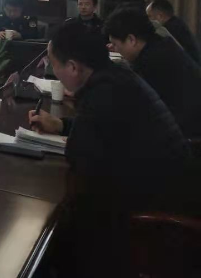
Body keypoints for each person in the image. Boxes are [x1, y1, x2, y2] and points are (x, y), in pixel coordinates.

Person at [30, 22, 190, 277]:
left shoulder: (104, 93)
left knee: (56, 229)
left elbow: (80, 157)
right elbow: (106, 131)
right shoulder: (115, 75)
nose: (53, 71)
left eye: (54, 64)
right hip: (169, 184)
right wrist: (61, 125)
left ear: (73, 67)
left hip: (154, 212)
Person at [105, 6, 201, 138]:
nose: (114, 48)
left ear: (131, 40)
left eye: (115, 44)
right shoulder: (160, 44)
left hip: (185, 133)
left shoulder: (151, 61)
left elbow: (133, 103)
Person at [147, 0, 201, 64]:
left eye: (149, 16)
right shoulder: (176, 23)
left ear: (160, 16)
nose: (147, 20)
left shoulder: (171, 29)